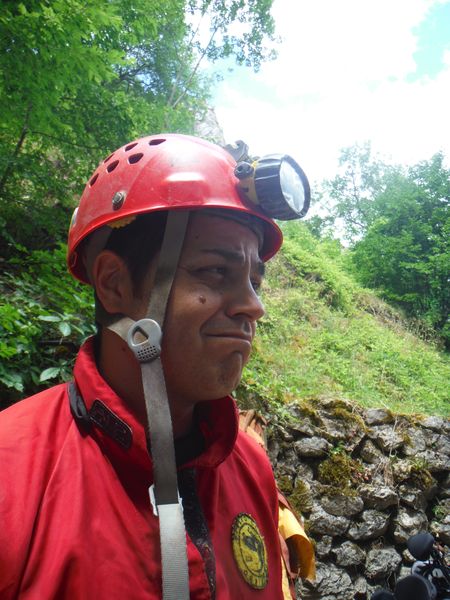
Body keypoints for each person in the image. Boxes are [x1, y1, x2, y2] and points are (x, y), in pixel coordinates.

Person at [0, 134, 311, 599]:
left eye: (254, 281)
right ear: (114, 283)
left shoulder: (250, 468)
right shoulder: (13, 475)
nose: (254, 306)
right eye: (215, 271)